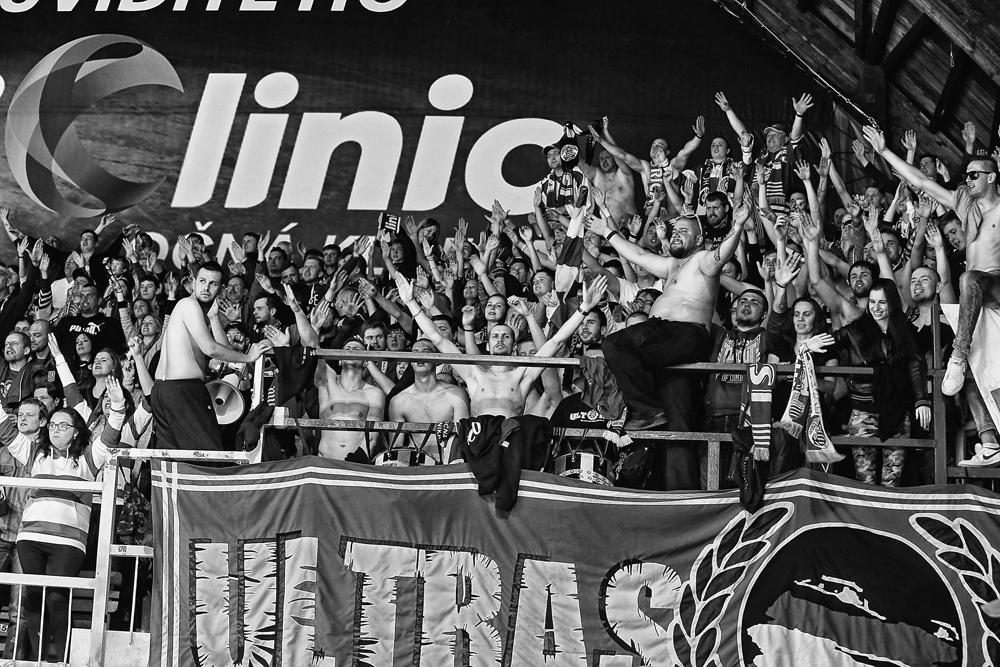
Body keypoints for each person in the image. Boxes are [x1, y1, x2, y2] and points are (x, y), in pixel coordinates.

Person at [863, 126, 1000, 404]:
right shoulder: (965, 203)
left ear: (992, 177)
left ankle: (958, 354)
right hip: (973, 292)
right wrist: (884, 151)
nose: (968, 180)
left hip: (995, 284)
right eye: (966, 175)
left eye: (974, 175)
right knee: (977, 378)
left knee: (969, 279)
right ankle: (986, 432)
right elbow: (923, 183)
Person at [0, 377, 126, 661]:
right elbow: (5, 431)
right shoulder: (35, 453)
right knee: (34, 598)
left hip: (68, 542)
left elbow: (110, 435)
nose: (55, 430)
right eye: (53, 425)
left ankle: (61, 661)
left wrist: (118, 405)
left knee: (57, 599)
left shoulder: (88, 459)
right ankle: (38, 661)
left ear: (76, 431)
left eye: (63, 426)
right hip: (30, 538)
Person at [592, 205, 749, 430]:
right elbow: (638, 255)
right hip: (666, 341)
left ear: (699, 240)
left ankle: (644, 411)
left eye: (684, 231)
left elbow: (720, 255)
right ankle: (662, 425)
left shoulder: (702, 260)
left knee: (616, 343)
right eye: (675, 231)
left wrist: (738, 226)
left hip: (684, 333)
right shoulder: (673, 265)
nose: (675, 234)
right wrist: (607, 232)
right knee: (676, 415)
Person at [398, 272, 609, 419]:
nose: (499, 339)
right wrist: (411, 303)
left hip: (512, 442)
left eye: (506, 336)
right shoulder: (474, 374)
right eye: (495, 336)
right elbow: (438, 339)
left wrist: (584, 309)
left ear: (514, 346)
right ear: (488, 346)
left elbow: (557, 341)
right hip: (480, 442)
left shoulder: (523, 375)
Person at [152, 262, 270, 451]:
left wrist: (214, 318)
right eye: (202, 281)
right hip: (182, 390)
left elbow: (224, 351)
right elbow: (211, 349)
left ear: (221, 289)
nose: (206, 287)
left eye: (213, 283)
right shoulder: (189, 305)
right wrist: (248, 357)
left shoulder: (197, 312)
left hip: (164, 390)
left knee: (172, 457)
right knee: (208, 453)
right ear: (193, 282)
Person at [826, 279, 932, 486]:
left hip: (897, 411)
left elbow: (915, 362)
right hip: (862, 412)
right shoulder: (856, 330)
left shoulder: (905, 331)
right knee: (864, 479)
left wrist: (922, 399)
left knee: (892, 479)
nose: (876, 308)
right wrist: (811, 344)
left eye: (882, 302)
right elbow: (830, 342)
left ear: (892, 303)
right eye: (872, 302)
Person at [387, 338, 470, 463]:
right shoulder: (399, 401)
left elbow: (463, 439)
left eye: (426, 352)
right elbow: (396, 448)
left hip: (450, 465)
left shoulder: (456, 395)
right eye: (415, 352)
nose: (420, 356)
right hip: (415, 466)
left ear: (437, 360)